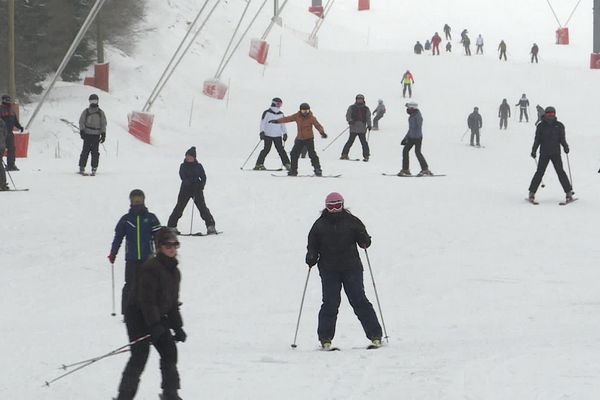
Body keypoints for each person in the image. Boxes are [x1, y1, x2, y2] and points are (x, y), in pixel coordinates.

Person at [115, 227, 186, 400]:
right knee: (140, 355)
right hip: (138, 316)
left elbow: (171, 304)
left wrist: (178, 327)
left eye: (175, 244)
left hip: (156, 316)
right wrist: (154, 325)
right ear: (159, 247)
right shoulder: (151, 268)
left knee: (169, 351)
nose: (172, 248)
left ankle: (170, 394)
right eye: (167, 244)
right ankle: (124, 396)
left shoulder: (174, 272)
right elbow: (147, 300)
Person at [306, 192, 383, 350]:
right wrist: (311, 255)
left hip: (351, 268)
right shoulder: (319, 225)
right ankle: (325, 338)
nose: (334, 209)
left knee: (359, 300)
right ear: (326, 207)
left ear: (342, 205)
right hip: (329, 270)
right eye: (331, 206)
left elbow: (364, 238)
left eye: (337, 206)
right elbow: (312, 243)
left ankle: (375, 335)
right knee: (330, 303)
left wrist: (364, 240)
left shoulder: (352, 221)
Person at [109, 189, 161, 315]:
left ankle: (152, 309)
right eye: (135, 200)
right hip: (132, 258)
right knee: (130, 284)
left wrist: (160, 253)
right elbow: (118, 237)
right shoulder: (126, 219)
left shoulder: (150, 218)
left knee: (150, 283)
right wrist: (113, 253)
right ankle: (126, 311)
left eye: (140, 200)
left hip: (147, 257)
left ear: (144, 200)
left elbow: (158, 236)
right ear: (131, 201)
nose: (137, 203)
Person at [167, 147, 216, 234]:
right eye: (187, 156)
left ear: (194, 158)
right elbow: (182, 176)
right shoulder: (183, 166)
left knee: (202, 208)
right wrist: (188, 183)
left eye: (190, 157)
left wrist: (201, 185)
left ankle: (211, 226)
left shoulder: (199, 166)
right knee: (179, 207)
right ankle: (171, 226)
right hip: (185, 190)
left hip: (197, 190)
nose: (188, 158)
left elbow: (203, 177)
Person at [528, 106, 573, 203]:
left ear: (555, 114)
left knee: (560, 172)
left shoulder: (559, 125)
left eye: (552, 114)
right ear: (545, 114)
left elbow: (562, 139)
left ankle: (568, 193)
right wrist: (534, 150)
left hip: (556, 153)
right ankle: (531, 193)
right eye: (549, 114)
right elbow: (537, 140)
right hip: (544, 153)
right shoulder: (541, 126)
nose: (551, 116)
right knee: (539, 172)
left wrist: (565, 146)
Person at [270, 103, 327, 176]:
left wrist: (322, 132)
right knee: (293, 153)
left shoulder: (311, 118)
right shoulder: (297, 116)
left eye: (307, 111)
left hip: (309, 138)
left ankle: (317, 169)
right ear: (300, 111)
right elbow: (288, 118)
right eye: (303, 111)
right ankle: (293, 170)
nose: (305, 112)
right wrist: (277, 121)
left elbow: (318, 125)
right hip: (299, 139)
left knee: (312, 154)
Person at [254, 97, 291, 171]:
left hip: (278, 135)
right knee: (266, 149)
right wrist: (262, 132)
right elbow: (262, 123)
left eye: (280, 104)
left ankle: (287, 164)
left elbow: (283, 124)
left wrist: (285, 133)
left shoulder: (281, 114)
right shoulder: (267, 112)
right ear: (274, 103)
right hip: (268, 135)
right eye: (278, 104)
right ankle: (259, 164)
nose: (279, 106)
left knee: (281, 150)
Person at [398, 102, 432, 176]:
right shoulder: (412, 116)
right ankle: (405, 169)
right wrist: (405, 138)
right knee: (405, 151)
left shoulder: (418, 116)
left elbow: (418, 128)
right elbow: (410, 129)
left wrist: (414, 137)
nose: (407, 110)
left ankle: (425, 169)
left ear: (413, 108)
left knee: (417, 152)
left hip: (417, 138)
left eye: (409, 108)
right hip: (411, 137)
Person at [78, 93, 107, 176]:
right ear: (89, 101)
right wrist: (82, 131)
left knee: (95, 152)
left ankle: (94, 167)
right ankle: (82, 167)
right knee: (85, 151)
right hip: (87, 134)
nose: (93, 102)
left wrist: (103, 133)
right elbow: (81, 121)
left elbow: (103, 123)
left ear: (98, 101)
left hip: (96, 135)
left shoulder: (100, 113)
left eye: (95, 101)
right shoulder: (86, 112)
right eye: (92, 101)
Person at [341, 94, 372, 162]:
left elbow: (368, 117)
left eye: (361, 99)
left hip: (362, 128)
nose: (359, 100)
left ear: (363, 100)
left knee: (364, 142)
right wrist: (350, 121)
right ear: (356, 100)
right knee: (350, 141)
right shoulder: (352, 107)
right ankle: (344, 154)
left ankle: (366, 155)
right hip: (353, 127)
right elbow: (348, 115)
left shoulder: (366, 109)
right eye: (358, 99)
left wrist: (369, 125)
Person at [0, 94, 24, 171]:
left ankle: (11, 165)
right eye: (6, 100)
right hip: (2, 134)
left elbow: (15, 120)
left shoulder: (11, 110)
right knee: (1, 149)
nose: (8, 101)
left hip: (10, 133)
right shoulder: (0, 109)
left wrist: (19, 127)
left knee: (11, 149)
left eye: (9, 100)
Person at [0, 119, 7, 190]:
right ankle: (2, 183)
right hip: (2, 146)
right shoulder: (2, 121)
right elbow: (5, 133)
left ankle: (2, 183)